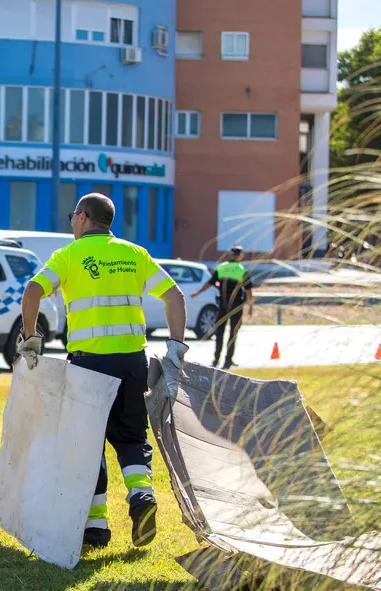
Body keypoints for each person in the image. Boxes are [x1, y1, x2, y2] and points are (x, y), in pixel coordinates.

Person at [18, 193, 188, 549]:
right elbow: (175, 296)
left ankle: (96, 526)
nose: (71, 221)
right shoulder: (134, 254)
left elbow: (33, 291)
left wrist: (31, 337)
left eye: (73, 215)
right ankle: (141, 495)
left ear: (83, 217)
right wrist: (176, 346)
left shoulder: (69, 255)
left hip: (88, 364)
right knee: (132, 437)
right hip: (132, 361)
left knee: (87, 442)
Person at [191, 245, 254, 369]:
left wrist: (197, 292)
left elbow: (209, 283)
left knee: (219, 333)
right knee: (233, 333)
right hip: (236, 306)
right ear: (240, 256)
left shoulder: (221, 267)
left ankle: (216, 360)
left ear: (230, 255)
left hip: (222, 305)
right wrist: (251, 306)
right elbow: (248, 290)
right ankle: (228, 361)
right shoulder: (242, 270)